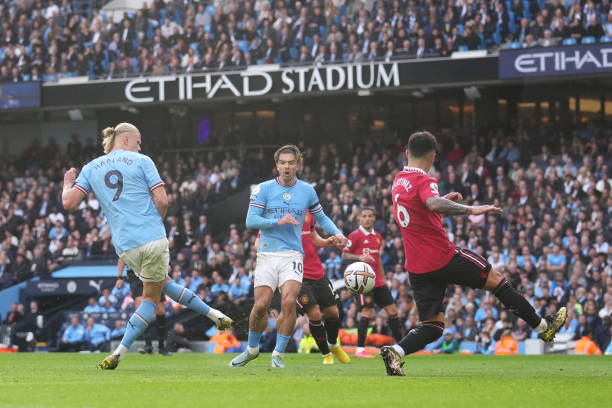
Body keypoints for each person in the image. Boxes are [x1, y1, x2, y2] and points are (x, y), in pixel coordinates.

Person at [380, 131, 567, 376]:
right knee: (498, 281)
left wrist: (444, 200)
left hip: (417, 266)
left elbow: (420, 209)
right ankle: (544, 327)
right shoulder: (426, 181)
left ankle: (396, 352)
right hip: (442, 257)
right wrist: (471, 209)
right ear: (433, 156)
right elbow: (432, 204)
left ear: (407, 153)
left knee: (434, 327)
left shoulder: (399, 179)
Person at [62, 122, 232, 370]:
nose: (140, 147)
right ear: (127, 140)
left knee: (164, 282)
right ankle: (119, 353)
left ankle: (214, 315)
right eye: (139, 142)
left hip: (125, 247)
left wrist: (68, 182)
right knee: (151, 301)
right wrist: (156, 221)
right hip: (151, 237)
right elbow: (162, 199)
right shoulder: (142, 161)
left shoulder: (90, 168)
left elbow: (69, 203)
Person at [230, 144, 347, 368]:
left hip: (292, 255)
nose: (286, 167)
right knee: (261, 305)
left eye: (291, 163)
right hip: (267, 252)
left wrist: (338, 234)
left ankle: (277, 355)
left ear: (298, 165)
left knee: (288, 302)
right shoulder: (263, 189)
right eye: (282, 163)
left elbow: (321, 218)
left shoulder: (307, 191)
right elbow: (250, 221)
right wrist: (277, 221)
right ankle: (252, 349)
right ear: (277, 165)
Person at [342, 207, 402, 358]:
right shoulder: (355, 235)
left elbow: (379, 260)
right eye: (364, 216)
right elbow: (344, 255)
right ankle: (360, 349)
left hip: (379, 281)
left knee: (393, 311)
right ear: (359, 220)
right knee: (367, 312)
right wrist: (359, 258)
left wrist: (384, 279)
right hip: (364, 282)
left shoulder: (378, 237)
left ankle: (402, 347)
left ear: (374, 218)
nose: (367, 218)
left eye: (370, 216)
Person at [294, 210, 351, 364]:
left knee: (333, 311)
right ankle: (326, 354)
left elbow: (313, 238)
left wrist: (327, 242)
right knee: (314, 312)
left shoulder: (308, 213)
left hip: (317, 271)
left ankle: (333, 345)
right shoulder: (280, 215)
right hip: (296, 274)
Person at [118, 258, 170, 356]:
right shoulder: (127, 243)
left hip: (153, 272)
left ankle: (162, 346)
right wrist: (120, 277)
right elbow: (121, 257)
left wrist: (167, 263)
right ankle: (148, 344)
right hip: (135, 274)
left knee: (160, 310)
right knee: (141, 308)